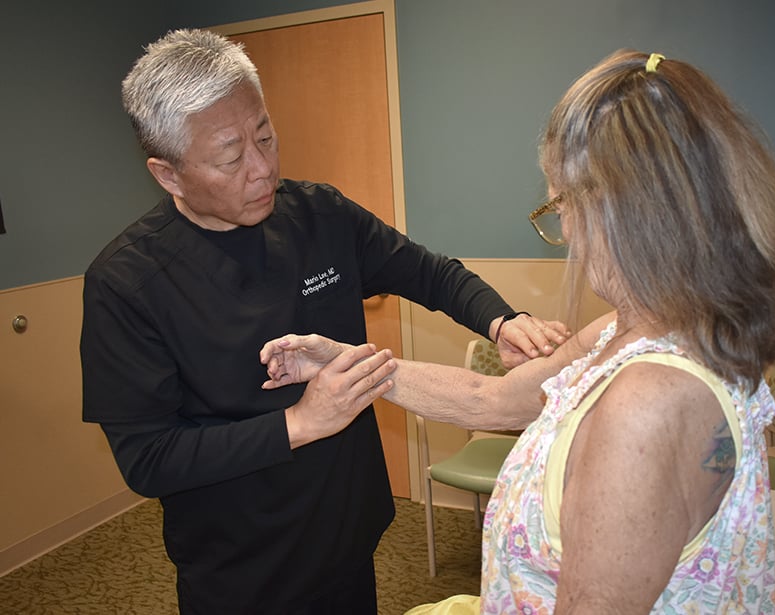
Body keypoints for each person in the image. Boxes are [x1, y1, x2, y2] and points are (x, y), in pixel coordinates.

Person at [261, 50, 775, 613]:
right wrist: (345, 364)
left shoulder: (648, 405)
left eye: (562, 200)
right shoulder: (638, 326)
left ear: (622, 208)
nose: (565, 228)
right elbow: (489, 398)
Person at [79, 28, 568, 614]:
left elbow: (431, 274)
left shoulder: (319, 214)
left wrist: (501, 321)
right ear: (168, 174)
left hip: (347, 530)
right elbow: (149, 458)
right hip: (241, 562)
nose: (263, 168)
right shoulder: (127, 282)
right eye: (232, 157)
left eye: (266, 136)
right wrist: (300, 421)